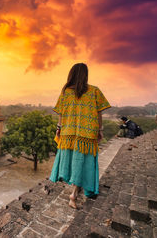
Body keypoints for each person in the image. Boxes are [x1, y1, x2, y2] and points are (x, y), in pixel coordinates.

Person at [49, 63, 111, 209]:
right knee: (82, 162)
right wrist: (100, 130)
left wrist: (59, 128)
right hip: (87, 133)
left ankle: (74, 190)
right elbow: (99, 113)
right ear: (85, 74)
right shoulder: (94, 91)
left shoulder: (66, 91)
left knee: (73, 160)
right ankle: (74, 194)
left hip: (68, 132)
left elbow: (61, 113)